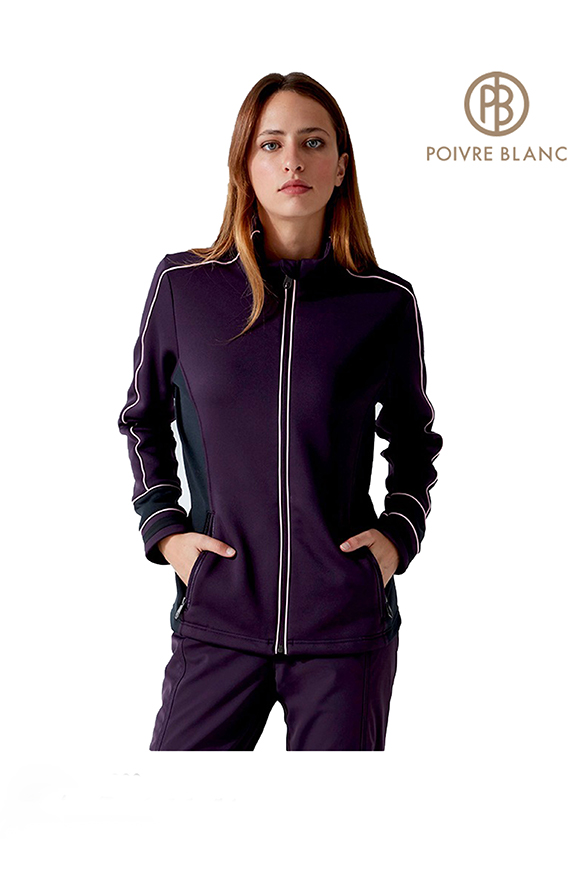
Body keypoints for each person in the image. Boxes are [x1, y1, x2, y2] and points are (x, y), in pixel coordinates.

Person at [117, 71, 443, 751]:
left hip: (345, 628)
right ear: (245, 165)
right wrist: (167, 532)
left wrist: (398, 535)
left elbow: (414, 439)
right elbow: (142, 418)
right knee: (169, 809)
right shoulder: (184, 287)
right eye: (271, 144)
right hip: (220, 616)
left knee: (333, 818)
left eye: (312, 142)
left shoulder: (384, 302)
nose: (292, 160)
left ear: (341, 167)